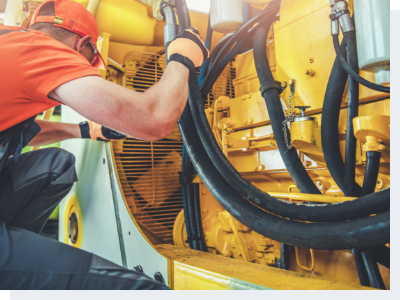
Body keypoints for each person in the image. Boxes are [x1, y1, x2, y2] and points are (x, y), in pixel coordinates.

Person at [0, 0, 208, 290]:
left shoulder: (11, 44)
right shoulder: (39, 50)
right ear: (83, 43)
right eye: (90, 61)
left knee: (57, 166)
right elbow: (155, 119)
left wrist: (84, 130)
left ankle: (20, 258)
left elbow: (20, 132)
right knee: (142, 289)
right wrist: (182, 59)